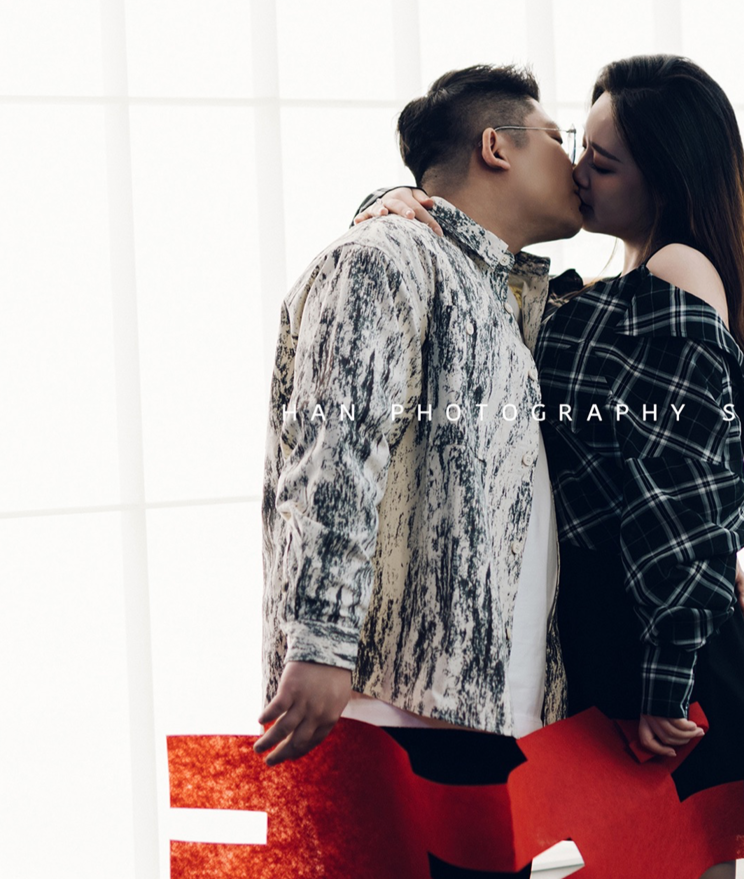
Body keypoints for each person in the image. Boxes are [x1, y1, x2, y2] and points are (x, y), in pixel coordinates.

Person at [357, 53, 744, 879]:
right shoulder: (608, 286)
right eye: (581, 147)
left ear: (664, 178)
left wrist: (665, 681)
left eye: (604, 160)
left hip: (659, 654)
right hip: (627, 633)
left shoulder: (678, 273)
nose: (580, 171)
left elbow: (683, 496)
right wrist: (391, 201)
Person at [256, 64, 583, 879]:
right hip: (392, 710)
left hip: (481, 708)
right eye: (559, 138)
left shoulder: (496, 292)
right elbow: (335, 457)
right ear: (496, 147)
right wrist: (321, 642)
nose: (575, 160)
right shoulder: (386, 255)